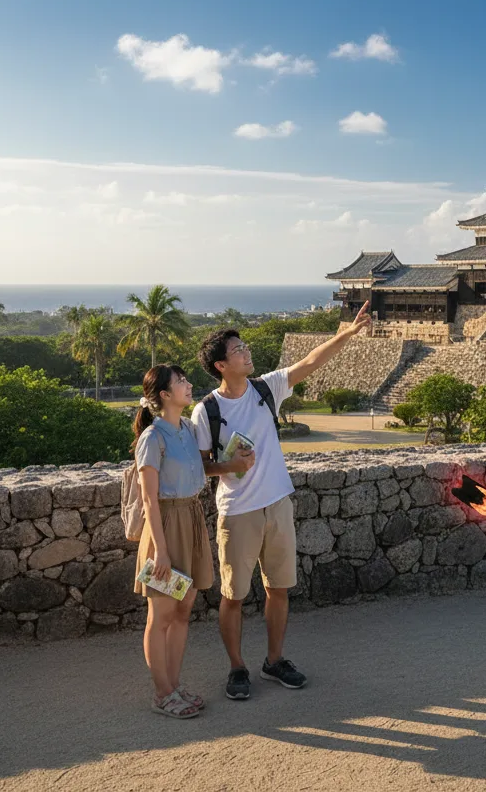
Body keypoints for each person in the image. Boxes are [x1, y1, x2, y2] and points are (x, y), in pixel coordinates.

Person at [192, 301, 372, 701]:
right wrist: (231, 465)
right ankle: (237, 668)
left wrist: (348, 332)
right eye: (238, 350)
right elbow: (201, 467)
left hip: (278, 503)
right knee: (233, 595)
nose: (246, 352)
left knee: (278, 589)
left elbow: (310, 361)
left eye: (243, 347)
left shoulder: (264, 389)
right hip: (237, 511)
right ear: (221, 365)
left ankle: (274, 661)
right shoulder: (206, 411)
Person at [131, 364, 250, 718]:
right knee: (162, 614)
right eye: (180, 382)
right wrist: (161, 551)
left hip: (192, 518)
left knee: (183, 611)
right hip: (165, 524)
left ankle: (174, 684)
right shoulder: (152, 438)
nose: (188, 385)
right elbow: (150, 499)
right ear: (164, 395)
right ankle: (162, 692)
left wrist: (232, 466)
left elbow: (200, 471)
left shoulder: (186, 429)